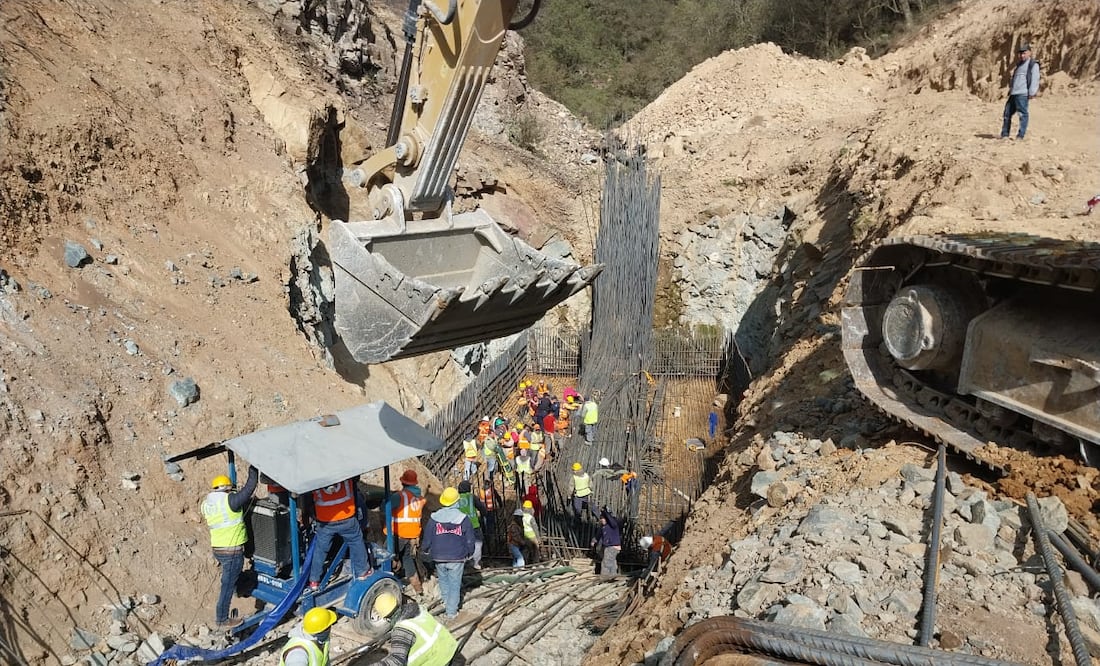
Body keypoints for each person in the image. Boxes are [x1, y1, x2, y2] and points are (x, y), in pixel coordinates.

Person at [201, 466, 258, 628]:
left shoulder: (206, 504)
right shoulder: (229, 501)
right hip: (231, 551)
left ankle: (239, 589)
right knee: (227, 584)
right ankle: (222, 619)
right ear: (227, 489)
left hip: (218, 549)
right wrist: (253, 470)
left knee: (231, 577)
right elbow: (249, 489)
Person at [420, 487, 474, 620]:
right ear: (457, 501)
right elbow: (470, 539)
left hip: (438, 556)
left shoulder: (434, 518)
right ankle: (451, 612)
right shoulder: (463, 519)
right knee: (455, 584)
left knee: (443, 580)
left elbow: (427, 537)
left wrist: (425, 549)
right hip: (457, 557)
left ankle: (446, 601)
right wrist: (469, 553)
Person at [308, 477, 371, 591]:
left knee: (321, 549)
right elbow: (356, 478)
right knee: (356, 541)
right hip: (347, 519)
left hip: (326, 522)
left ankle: (314, 580)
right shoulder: (345, 474)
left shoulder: (316, 478)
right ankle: (362, 571)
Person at [369, 593, 460, 665]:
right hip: (450, 647)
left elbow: (396, 661)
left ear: (386, 618)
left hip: (438, 661)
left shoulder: (402, 631)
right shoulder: (418, 610)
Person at [391, 469, 427, 595]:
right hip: (412, 536)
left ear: (403, 483)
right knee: (407, 560)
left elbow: (385, 507)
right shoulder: (421, 499)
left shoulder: (399, 496)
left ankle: (391, 585)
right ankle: (418, 588)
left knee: (386, 556)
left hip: (398, 534)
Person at [1001, 43, 1040, 140]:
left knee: (1023, 114)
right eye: (1021, 53)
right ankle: (1005, 135)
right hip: (1014, 93)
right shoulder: (1019, 65)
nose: (1022, 55)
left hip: (1023, 94)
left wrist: (1031, 92)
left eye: (1024, 53)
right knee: (1007, 113)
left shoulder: (1033, 65)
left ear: (1029, 53)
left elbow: (1035, 79)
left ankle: (1020, 136)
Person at [455, 481, 487, 570]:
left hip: (460, 525)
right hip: (474, 525)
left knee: (463, 544)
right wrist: (484, 515)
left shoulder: (456, 498)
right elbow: (482, 508)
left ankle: (464, 562)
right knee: (477, 544)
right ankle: (475, 563)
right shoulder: (471, 497)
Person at [591, 506, 621, 577]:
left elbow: (610, 519)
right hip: (608, 547)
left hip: (612, 546)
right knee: (612, 561)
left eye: (603, 519)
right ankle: (612, 575)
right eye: (601, 519)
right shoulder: (603, 527)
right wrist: (594, 541)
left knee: (606, 562)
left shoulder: (613, 525)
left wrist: (605, 512)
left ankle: (605, 576)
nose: (601, 520)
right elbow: (598, 535)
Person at [479, 481, 501, 549]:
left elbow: (479, 501)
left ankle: (486, 537)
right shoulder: (492, 490)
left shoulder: (481, 491)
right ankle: (491, 537)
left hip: (484, 510)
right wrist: (501, 504)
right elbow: (498, 497)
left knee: (485, 524)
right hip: (491, 509)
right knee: (491, 524)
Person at [520, 500, 540, 565]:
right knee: (536, 549)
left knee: (526, 550)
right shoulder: (531, 518)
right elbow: (535, 528)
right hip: (531, 536)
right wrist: (538, 538)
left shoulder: (521, 516)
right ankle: (536, 563)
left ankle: (524, 563)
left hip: (524, 536)